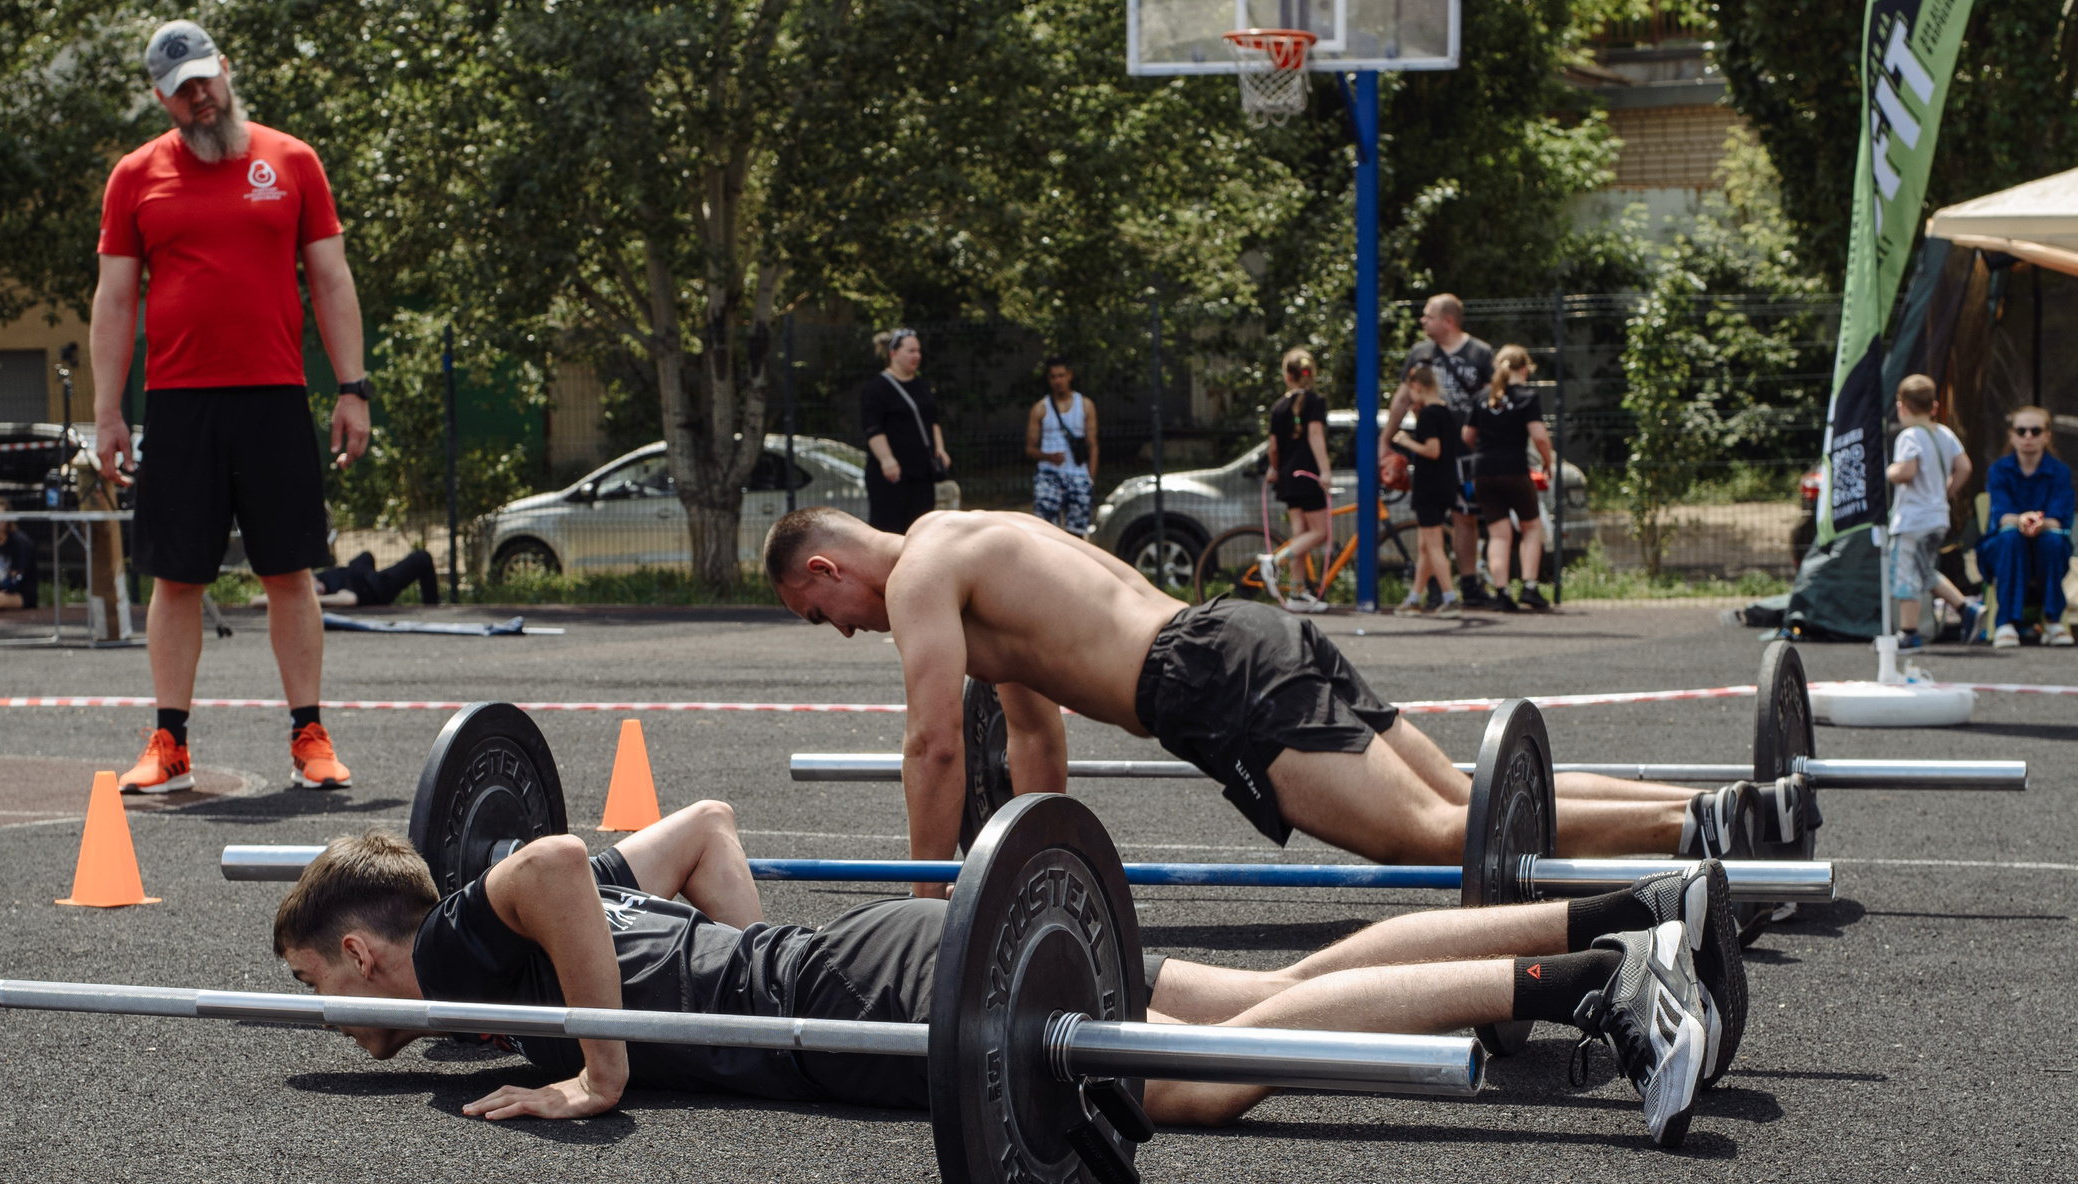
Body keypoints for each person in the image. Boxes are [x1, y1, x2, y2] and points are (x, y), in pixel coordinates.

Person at [274, 803, 1735, 1148]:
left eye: (315, 988)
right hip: (863, 962)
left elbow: (544, 854)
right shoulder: (508, 970)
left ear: (360, 950)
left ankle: (1605, 989)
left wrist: (602, 1071)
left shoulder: (458, 951)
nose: (331, 1019)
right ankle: (1626, 915)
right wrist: (737, 962)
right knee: (1250, 1000)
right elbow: (703, 828)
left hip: (856, 994)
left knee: (1191, 1085)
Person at [763, 506, 1817, 874]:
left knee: (1430, 836)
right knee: (1463, 796)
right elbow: (1032, 742)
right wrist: (1039, 879)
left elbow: (935, 747)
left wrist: (926, 907)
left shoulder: (919, 579)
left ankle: (1696, 837)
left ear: (826, 568)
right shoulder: (966, 542)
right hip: (1239, 632)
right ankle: (1723, 806)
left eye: (822, 613)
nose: (842, 630)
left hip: (1209, 678)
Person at [93, 19, 372, 794]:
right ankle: (170, 743)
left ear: (225, 69)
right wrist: (107, 412)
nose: (200, 98)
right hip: (178, 402)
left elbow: (331, 279)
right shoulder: (135, 176)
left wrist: (352, 388)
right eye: (182, 91)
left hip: (274, 393)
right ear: (162, 98)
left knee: (289, 571)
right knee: (176, 578)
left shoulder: (292, 161)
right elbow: (114, 301)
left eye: (205, 80)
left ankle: (309, 736)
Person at [1379, 294, 1493, 606]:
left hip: (1465, 453)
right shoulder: (1420, 353)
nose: (1422, 320)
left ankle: (1468, 583)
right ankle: (1431, 588)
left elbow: (1491, 401)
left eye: (1428, 316)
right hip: (1431, 456)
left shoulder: (1480, 353)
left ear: (1448, 320)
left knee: (1464, 515)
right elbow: (1402, 398)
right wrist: (1385, 439)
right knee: (1429, 523)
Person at [1884, 374, 1975, 650]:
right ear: (1934, 406)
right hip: (1937, 517)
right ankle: (1966, 608)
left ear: (1902, 406)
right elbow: (1965, 467)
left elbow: (1907, 471)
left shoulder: (1909, 436)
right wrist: (1946, 491)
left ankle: (1908, 632)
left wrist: (1890, 471)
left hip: (1912, 519)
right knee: (1925, 571)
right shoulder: (1944, 433)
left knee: (1905, 573)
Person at [1465, 344, 1555, 613]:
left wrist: (1485, 452)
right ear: (1524, 370)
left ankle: (1502, 592)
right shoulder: (1527, 398)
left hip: (1483, 471)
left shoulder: (1481, 397)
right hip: (1514, 470)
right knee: (1531, 527)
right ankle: (1529, 587)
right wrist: (1547, 462)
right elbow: (1539, 436)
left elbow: (1467, 436)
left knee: (1499, 534)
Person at [1978, 406, 2074, 648]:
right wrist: (2022, 521)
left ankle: (2053, 620)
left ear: (2047, 435)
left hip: (2046, 547)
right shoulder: (1999, 470)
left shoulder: (2060, 472)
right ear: (2012, 435)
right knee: (2011, 538)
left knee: (2053, 541)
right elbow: (2002, 516)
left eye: (2035, 431)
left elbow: (2059, 519)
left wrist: (2036, 523)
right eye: (2021, 431)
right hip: (2004, 549)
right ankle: (2006, 623)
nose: (2028, 436)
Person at [1254, 347, 1333, 612]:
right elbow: (1315, 435)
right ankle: (1275, 561)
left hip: (1288, 478)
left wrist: (1275, 470)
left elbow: (1274, 447)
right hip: (1307, 475)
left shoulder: (1278, 407)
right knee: (1320, 532)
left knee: (1301, 534)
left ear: (1288, 376)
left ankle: (1297, 593)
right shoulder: (1315, 402)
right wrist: (1325, 470)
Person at [858, 327, 949, 534]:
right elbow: (873, 428)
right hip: (893, 475)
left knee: (921, 528)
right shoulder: (876, 388)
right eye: (911, 351)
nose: (917, 355)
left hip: (922, 471)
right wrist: (887, 460)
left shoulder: (922, 386)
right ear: (893, 353)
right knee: (889, 529)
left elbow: (933, 421)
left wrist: (940, 449)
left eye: (918, 351)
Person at [1393, 363, 1461, 612]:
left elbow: (1433, 450)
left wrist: (1407, 441)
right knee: (1425, 545)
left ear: (1417, 387)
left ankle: (1450, 598)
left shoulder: (1429, 415)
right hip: (1443, 485)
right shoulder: (1444, 412)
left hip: (1429, 487)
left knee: (1433, 545)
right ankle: (1414, 597)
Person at [1024, 357, 1098, 536]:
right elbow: (1030, 449)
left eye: (1061, 375)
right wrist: (1048, 457)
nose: (1058, 381)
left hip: (1078, 475)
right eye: (1053, 377)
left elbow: (1093, 445)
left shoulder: (1085, 405)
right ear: (1049, 379)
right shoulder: (1040, 408)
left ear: (1069, 375)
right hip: (1049, 475)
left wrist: (1090, 479)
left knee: (1077, 533)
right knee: (1047, 532)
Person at [292, 547, 440, 610]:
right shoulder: (330, 593)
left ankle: (432, 606)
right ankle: (433, 609)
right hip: (372, 588)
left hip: (365, 575)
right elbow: (350, 599)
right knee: (422, 558)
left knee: (365, 556)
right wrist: (312, 599)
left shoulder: (314, 575)